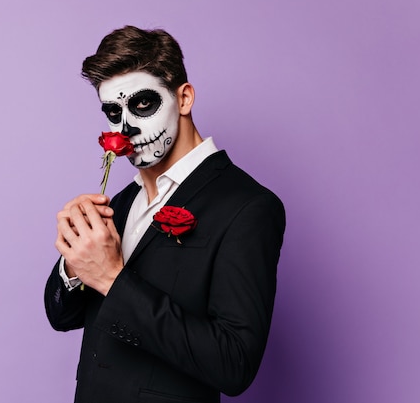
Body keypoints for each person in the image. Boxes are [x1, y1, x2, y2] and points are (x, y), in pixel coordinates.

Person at [44, 25, 285, 403]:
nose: (124, 129)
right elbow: (62, 317)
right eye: (112, 111)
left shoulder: (248, 207)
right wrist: (74, 264)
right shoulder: (120, 203)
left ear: (184, 98)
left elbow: (234, 364)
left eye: (142, 104)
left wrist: (111, 278)